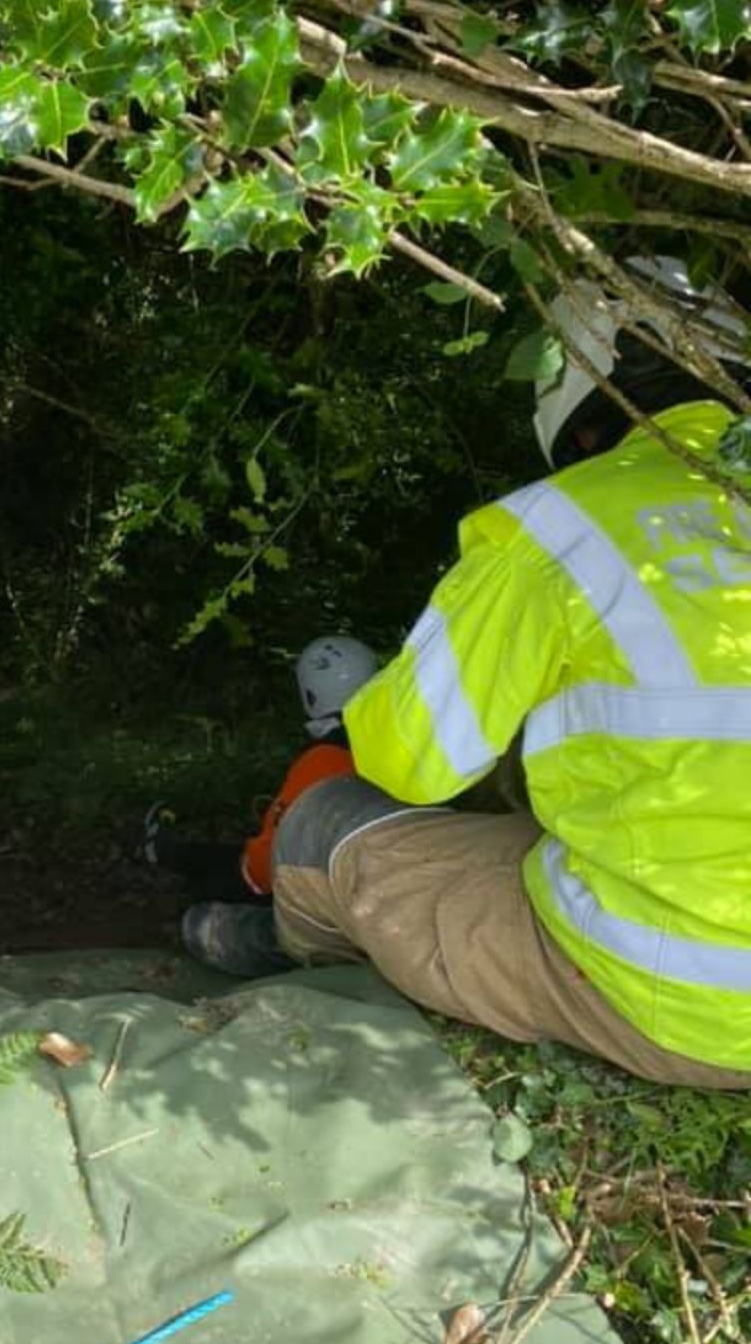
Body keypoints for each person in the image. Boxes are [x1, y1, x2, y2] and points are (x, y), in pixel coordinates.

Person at [181, 257, 751, 1088]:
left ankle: (281, 944)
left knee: (322, 818)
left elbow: (410, 763)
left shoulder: (560, 527)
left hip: (694, 1005)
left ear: (582, 423)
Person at [146, 634, 376, 942]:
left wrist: (210, 886)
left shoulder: (322, 761)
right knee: (230, 860)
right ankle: (170, 852)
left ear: (311, 694)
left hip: (336, 921)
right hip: (380, 897)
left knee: (200, 921)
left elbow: (264, 871)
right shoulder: (396, 753)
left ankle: (169, 855)